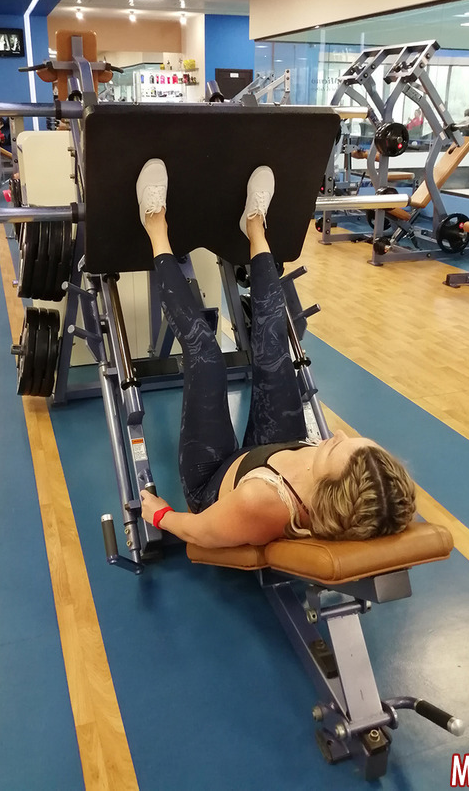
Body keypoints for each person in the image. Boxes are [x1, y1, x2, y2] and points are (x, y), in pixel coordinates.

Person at [137, 159, 417, 548]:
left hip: (213, 479)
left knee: (206, 357)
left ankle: (154, 223)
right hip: (275, 452)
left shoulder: (262, 503)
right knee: (273, 344)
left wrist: (160, 515)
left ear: (325, 490)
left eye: (335, 446)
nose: (336, 433)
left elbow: (199, 533)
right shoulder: (363, 490)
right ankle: (254, 226)